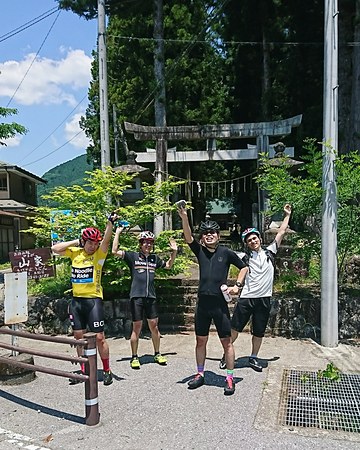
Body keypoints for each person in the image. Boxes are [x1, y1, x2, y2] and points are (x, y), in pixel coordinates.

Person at [177, 205, 248, 396]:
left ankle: (230, 377)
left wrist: (237, 286)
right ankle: (200, 374)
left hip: (219, 305)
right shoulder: (200, 251)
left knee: (227, 343)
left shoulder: (226, 253)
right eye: (206, 233)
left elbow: (244, 267)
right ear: (203, 237)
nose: (209, 235)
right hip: (203, 305)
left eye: (212, 232)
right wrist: (184, 217)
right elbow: (188, 237)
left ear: (218, 235)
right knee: (200, 341)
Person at [219, 203, 292, 372]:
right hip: (247, 298)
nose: (253, 241)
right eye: (249, 240)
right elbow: (224, 254)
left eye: (255, 238)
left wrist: (287, 215)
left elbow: (280, 232)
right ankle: (226, 355)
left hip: (264, 298)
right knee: (235, 328)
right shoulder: (243, 256)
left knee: (259, 331)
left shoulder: (270, 252)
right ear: (246, 243)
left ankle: (253, 357)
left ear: (259, 238)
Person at [51, 213, 117, 386]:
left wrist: (109, 224)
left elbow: (106, 241)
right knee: (78, 338)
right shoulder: (76, 253)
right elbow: (55, 249)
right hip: (76, 302)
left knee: (100, 338)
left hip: (93, 301)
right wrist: (76, 242)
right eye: (90, 243)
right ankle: (83, 370)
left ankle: (107, 370)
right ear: (84, 242)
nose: (93, 246)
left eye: (95, 243)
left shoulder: (98, 256)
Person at [112, 226, 177, 369]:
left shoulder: (154, 259)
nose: (148, 245)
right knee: (137, 327)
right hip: (137, 297)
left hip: (151, 297)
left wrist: (174, 252)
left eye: (150, 242)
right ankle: (134, 356)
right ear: (140, 244)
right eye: (145, 242)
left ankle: (157, 353)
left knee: (154, 326)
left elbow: (168, 266)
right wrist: (117, 233)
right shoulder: (133, 256)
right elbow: (114, 251)